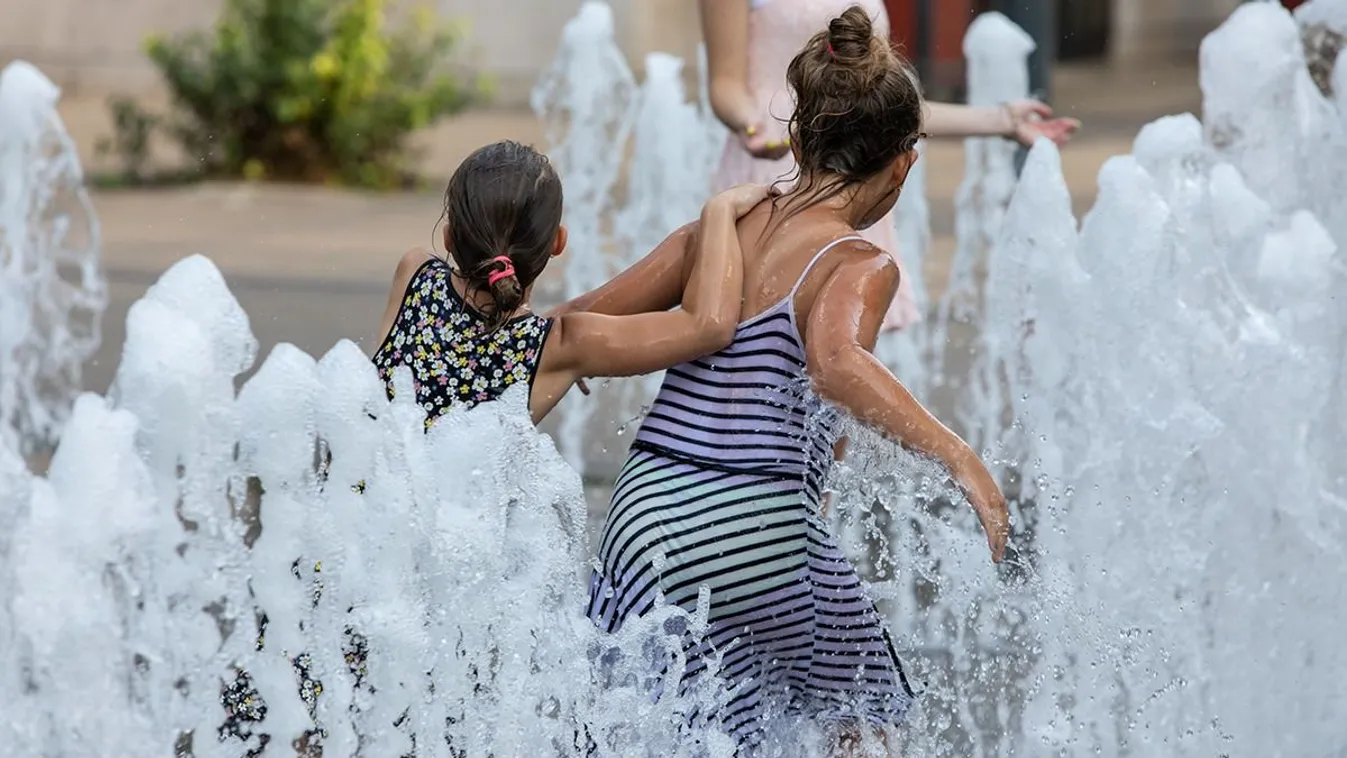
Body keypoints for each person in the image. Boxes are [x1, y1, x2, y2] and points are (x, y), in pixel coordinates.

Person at [554, 7, 1009, 754]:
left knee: (672, 726)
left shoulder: (718, 233)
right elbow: (835, 364)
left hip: (642, 521)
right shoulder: (858, 262)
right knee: (864, 719)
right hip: (753, 525)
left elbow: (576, 321)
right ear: (903, 165)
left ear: (796, 142)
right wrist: (959, 456)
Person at [700, 0, 1080, 332]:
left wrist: (1001, 121)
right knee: (761, 326)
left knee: (841, 326)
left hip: (858, 165)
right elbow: (724, 85)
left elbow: (886, 107)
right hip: (779, 155)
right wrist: (751, 124)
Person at [371, 139, 772, 424]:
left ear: (448, 238)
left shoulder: (415, 273)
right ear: (558, 242)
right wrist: (719, 211)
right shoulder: (561, 345)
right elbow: (708, 327)